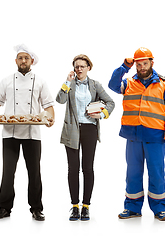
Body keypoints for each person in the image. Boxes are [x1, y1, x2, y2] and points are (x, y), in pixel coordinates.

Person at [109, 47, 165, 221]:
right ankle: (132, 208)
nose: (141, 67)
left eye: (145, 63)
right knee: (133, 172)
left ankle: (160, 209)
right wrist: (124, 67)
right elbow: (112, 84)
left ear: (151, 63)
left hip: (155, 136)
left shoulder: (164, 84)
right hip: (133, 135)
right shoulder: (128, 83)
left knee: (156, 172)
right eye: (138, 64)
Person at [0, 44, 55, 221]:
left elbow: (48, 106)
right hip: (10, 132)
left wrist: (49, 119)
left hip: (33, 132)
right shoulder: (7, 81)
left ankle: (36, 208)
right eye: (20, 58)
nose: (23, 61)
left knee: (35, 172)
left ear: (32, 61)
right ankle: (4, 207)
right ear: (16, 60)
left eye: (26, 58)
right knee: (8, 172)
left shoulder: (40, 81)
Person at [57, 54, 116, 221]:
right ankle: (75, 206)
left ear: (89, 67)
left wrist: (103, 114)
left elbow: (110, 102)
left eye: (82, 66)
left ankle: (86, 206)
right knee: (73, 168)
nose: (79, 69)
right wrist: (67, 82)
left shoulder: (95, 85)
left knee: (88, 168)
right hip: (72, 130)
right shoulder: (70, 85)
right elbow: (60, 100)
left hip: (90, 129)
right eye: (76, 66)